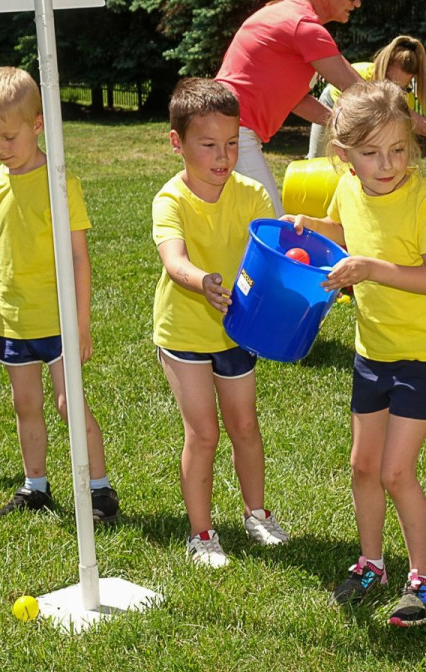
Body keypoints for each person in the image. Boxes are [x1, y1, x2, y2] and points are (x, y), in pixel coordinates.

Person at [286, 82, 426, 626]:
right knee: (363, 466)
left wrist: (370, 268)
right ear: (344, 157)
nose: (387, 165)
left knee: (396, 471)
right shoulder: (348, 189)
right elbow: (345, 232)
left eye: (398, 151)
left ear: (412, 144)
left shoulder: (425, 200)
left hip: (421, 356)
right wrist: (313, 228)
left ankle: (425, 582)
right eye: (370, 154)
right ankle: (372, 563)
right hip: (372, 351)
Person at [0, 67, 120, 523]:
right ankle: (36, 485)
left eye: (8, 137)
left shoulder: (60, 183)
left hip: (58, 321)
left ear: (37, 125)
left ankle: (99, 490)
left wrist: (81, 322)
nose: (0, 150)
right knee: (25, 405)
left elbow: (78, 258)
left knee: (68, 404)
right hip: (15, 321)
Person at [151, 78, 289, 568]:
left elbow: (270, 258)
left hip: (238, 330)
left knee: (245, 424)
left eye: (231, 144)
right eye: (208, 145)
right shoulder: (170, 200)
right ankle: (202, 534)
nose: (222, 156)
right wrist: (201, 280)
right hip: (184, 331)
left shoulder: (251, 194)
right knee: (203, 433)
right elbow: (174, 260)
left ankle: (257, 514)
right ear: (177, 143)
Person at [215, 0, 426, 214]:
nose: (357, 4)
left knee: (240, 217)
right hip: (232, 132)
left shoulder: (289, 14)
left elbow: (295, 100)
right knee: (269, 220)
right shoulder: (304, 27)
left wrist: (339, 124)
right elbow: (366, 94)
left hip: (221, 127)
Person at [307, 34, 426, 159]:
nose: (393, 90)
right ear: (382, 67)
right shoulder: (360, 75)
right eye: (390, 82)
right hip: (334, 103)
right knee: (318, 156)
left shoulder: (405, 99)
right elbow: (349, 117)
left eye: (401, 87)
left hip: (361, 118)